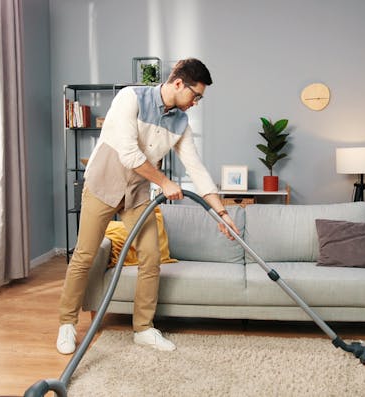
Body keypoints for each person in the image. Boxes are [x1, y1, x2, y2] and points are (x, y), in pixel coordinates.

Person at [57, 58, 240, 354]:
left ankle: (143, 328)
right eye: (196, 95)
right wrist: (165, 182)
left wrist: (221, 212)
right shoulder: (130, 98)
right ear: (179, 83)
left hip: (137, 192)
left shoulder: (181, 123)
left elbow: (196, 168)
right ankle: (66, 323)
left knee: (151, 257)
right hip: (103, 184)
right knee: (85, 255)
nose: (195, 103)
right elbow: (129, 153)